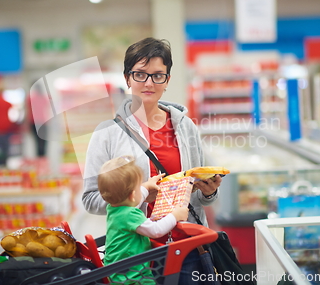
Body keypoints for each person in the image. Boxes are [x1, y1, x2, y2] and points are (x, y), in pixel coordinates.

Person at [82, 37, 223, 283]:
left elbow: (198, 196)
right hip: (136, 255)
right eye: (140, 74)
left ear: (167, 80)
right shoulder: (107, 133)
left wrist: (209, 192)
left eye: (158, 75)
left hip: (188, 248)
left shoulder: (185, 127)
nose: (149, 83)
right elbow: (90, 199)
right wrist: (136, 196)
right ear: (127, 79)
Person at [98, 155, 188, 284]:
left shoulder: (114, 210)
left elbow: (134, 200)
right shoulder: (130, 214)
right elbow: (156, 230)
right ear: (133, 194)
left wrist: (146, 186)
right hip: (133, 277)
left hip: (117, 273)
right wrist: (175, 215)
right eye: (139, 186)